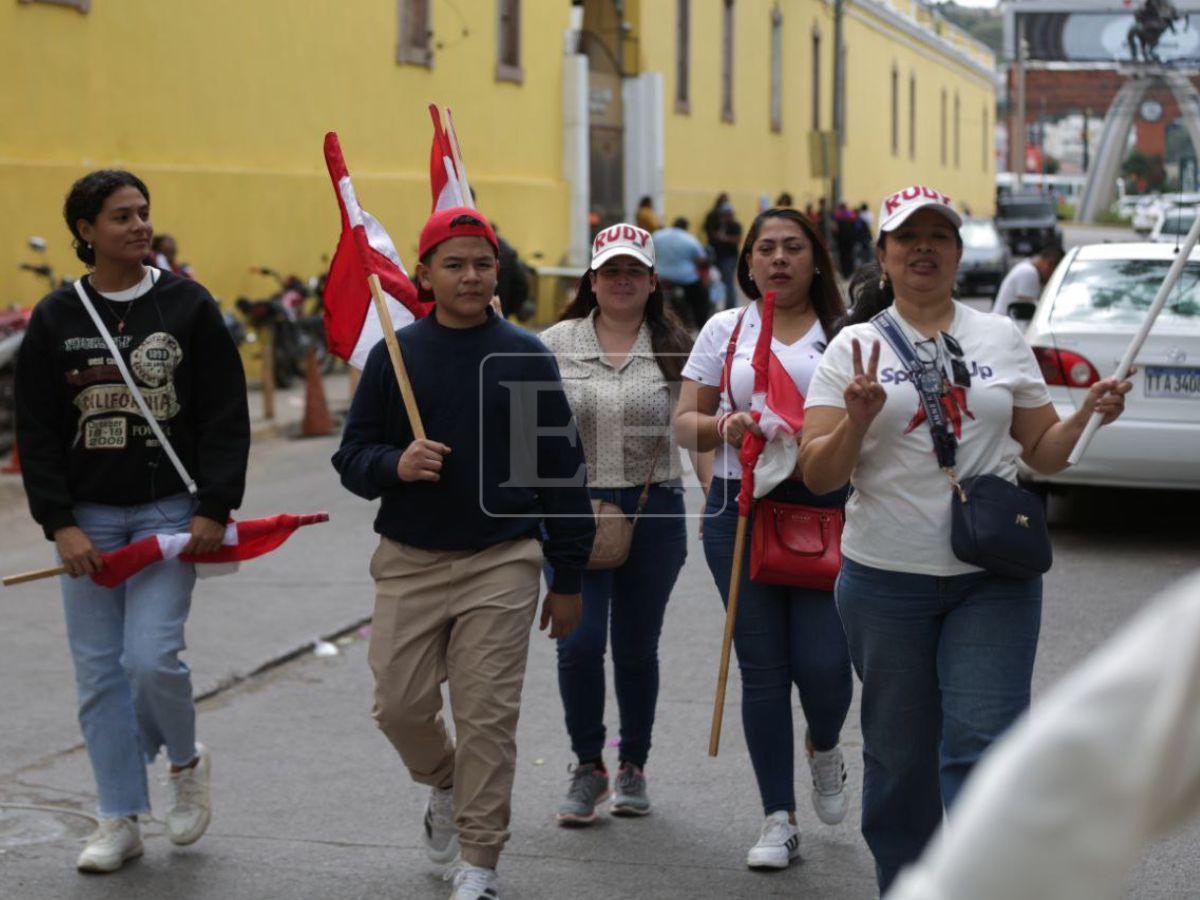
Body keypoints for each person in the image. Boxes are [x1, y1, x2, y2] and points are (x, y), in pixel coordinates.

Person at [798, 184, 1132, 893]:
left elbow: (1043, 452)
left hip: (993, 577)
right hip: (885, 579)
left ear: (957, 252)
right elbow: (820, 476)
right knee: (898, 754)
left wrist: (1089, 415)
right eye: (907, 237)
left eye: (940, 236)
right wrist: (856, 420)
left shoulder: (1001, 339)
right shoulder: (851, 349)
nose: (925, 247)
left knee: (985, 744)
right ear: (883, 255)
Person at [331, 205, 594, 900]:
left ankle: (481, 860)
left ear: (496, 272)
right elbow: (352, 458)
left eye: (482, 263)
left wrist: (567, 577)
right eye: (454, 264)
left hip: (500, 560)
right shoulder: (396, 354)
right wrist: (397, 463)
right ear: (424, 274)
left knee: (487, 717)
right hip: (409, 559)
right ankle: (444, 782)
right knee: (398, 705)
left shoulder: (525, 356)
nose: (470, 275)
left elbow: (560, 473)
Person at [14, 169, 250, 873]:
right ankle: (118, 817)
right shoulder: (57, 317)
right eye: (122, 216)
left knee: (150, 658)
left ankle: (183, 762)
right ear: (87, 231)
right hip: (88, 520)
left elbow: (223, 414)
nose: (140, 225)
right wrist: (60, 522)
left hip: (168, 514)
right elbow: (37, 428)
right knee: (98, 675)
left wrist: (214, 507)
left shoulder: (187, 305)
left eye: (144, 213)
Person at [674, 207, 853, 871]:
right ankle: (778, 815)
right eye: (766, 249)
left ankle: (826, 744)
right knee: (764, 668)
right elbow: (683, 422)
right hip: (741, 511)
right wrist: (727, 428)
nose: (779, 259)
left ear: (816, 259)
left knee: (827, 664)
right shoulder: (725, 330)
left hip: (825, 508)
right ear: (746, 262)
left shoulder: (846, 333)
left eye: (793, 248)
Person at [887, 570, 1200, 900]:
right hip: (886, 567)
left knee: (978, 748)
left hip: (997, 565)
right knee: (898, 756)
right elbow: (1073, 766)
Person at [539, 222, 696, 826]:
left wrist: (722, 499)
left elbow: (699, 430)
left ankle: (632, 764)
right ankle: (587, 766)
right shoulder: (551, 343)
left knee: (635, 648)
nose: (622, 280)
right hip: (573, 511)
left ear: (653, 281)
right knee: (577, 645)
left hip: (653, 510)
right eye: (611, 271)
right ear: (593, 280)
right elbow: (526, 434)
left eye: (634, 271)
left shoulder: (678, 347)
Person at [653, 217, 711, 330]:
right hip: (685, 279)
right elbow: (701, 260)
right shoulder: (690, 239)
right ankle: (701, 326)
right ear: (686, 227)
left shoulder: (657, 236)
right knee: (702, 298)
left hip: (660, 276)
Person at [992, 243, 1064, 318]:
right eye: (1054, 272)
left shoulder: (1027, 267)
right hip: (1006, 325)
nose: (1050, 277)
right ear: (1049, 264)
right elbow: (1030, 307)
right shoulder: (1028, 272)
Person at [710, 203, 743, 311]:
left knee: (728, 283)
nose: (725, 217)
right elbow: (712, 238)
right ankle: (713, 305)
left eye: (727, 214)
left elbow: (737, 240)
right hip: (717, 257)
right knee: (715, 281)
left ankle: (730, 307)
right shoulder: (717, 224)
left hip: (729, 258)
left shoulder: (735, 225)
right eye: (723, 214)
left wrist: (725, 238)